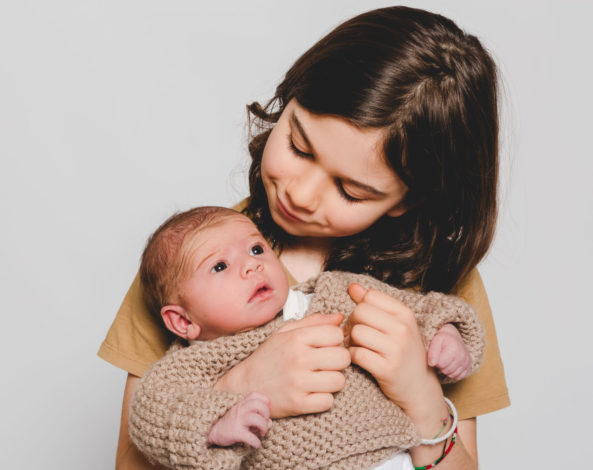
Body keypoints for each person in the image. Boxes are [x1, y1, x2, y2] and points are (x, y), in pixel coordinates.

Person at [99, 6, 509, 469]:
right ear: (289, 97)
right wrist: (243, 384)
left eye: (350, 190)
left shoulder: (440, 275)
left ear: (405, 200)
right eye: (298, 145)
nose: (301, 193)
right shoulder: (191, 260)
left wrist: (422, 398)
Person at [128, 206, 484, 469]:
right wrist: (214, 422)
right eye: (219, 266)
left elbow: (417, 309)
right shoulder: (195, 361)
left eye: (256, 249)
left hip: (390, 455)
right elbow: (151, 413)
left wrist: (446, 334)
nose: (252, 265)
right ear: (182, 320)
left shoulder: (337, 292)